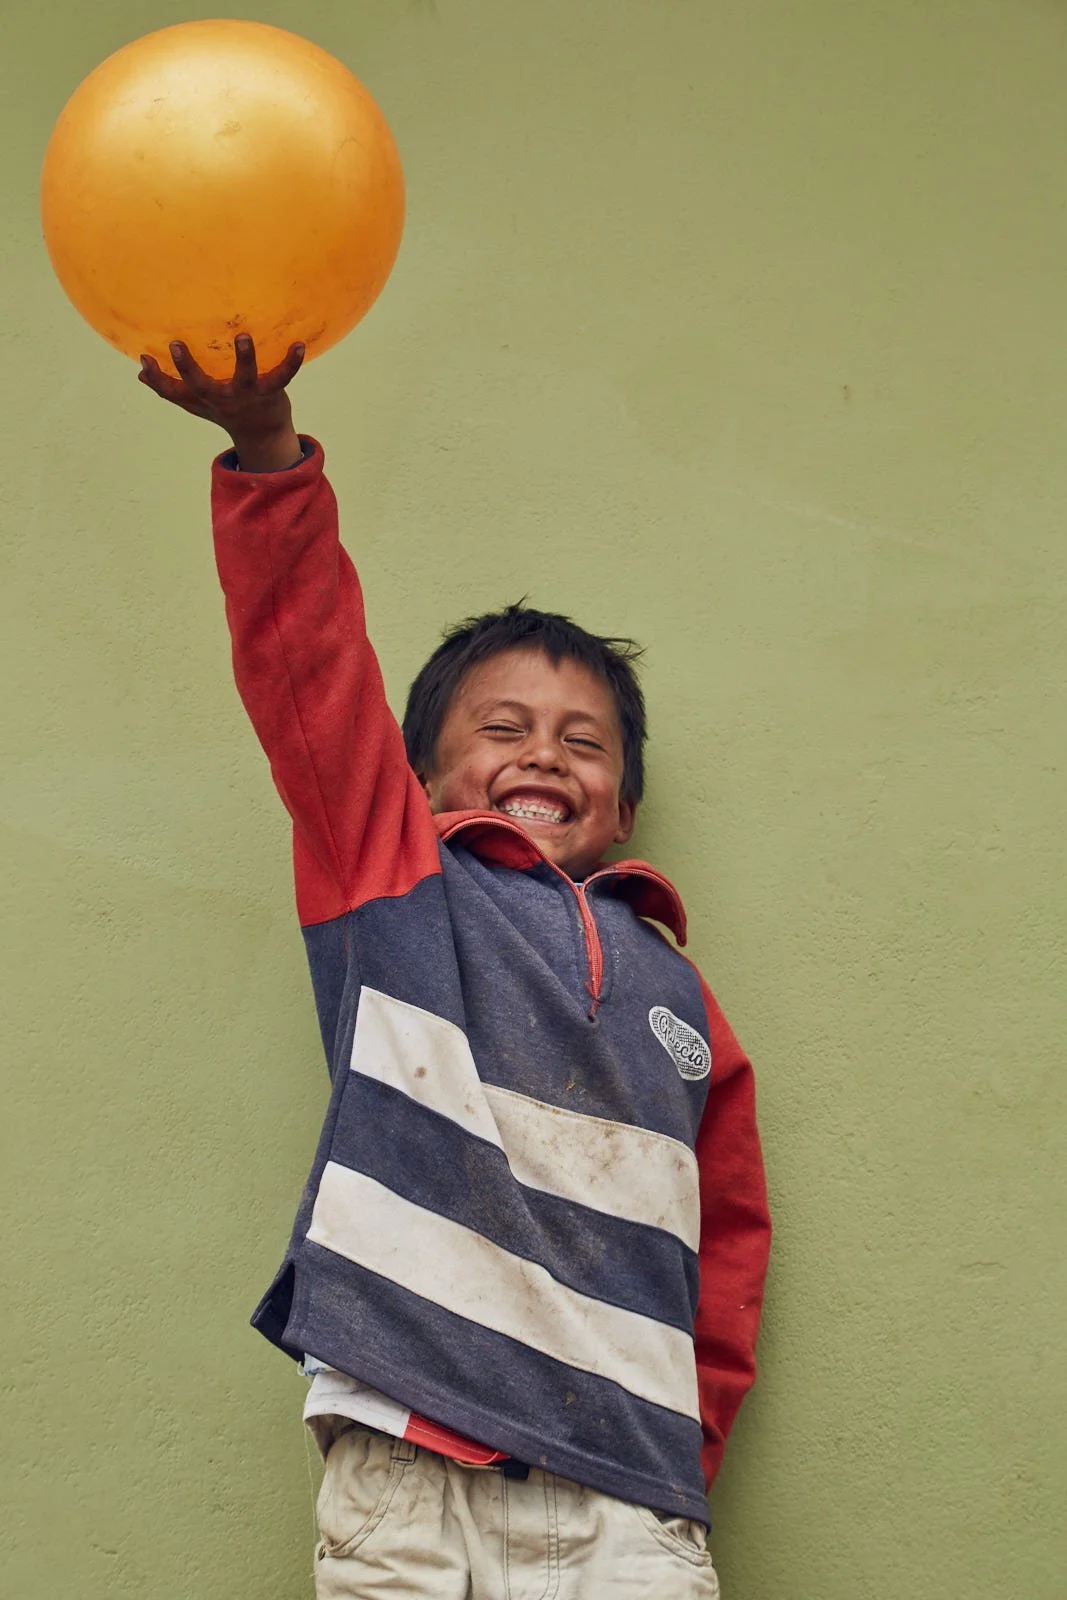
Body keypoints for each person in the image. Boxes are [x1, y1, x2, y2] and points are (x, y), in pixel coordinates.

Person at [139, 334, 772, 1599]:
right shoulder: (397, 883)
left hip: (630, 1506)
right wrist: (267, 453)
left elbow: (732, 1241)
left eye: (583, 743)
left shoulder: (681, 1002)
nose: (545, 757)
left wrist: (679, 1447)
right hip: (413, 1466)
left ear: (625, 801)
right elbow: (309, 681)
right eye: (502, 729)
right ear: (422, 777)